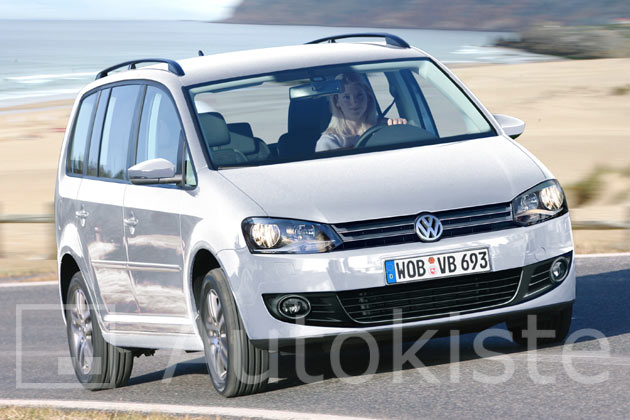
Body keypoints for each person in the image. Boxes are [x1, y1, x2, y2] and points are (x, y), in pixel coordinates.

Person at [315, 73, 407, 151]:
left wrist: (399, 129)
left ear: (368, 98)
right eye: (346, 97)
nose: (354, 102)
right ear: (337, 102)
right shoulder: (328, 142)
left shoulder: (383, 128)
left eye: (359, 95)